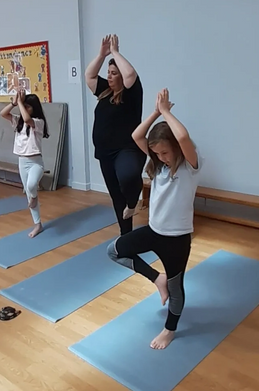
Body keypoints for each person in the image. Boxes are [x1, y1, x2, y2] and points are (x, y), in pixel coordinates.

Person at [107, 88, 201, 350]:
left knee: (177, 287)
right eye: (156, 153)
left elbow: (182, 136)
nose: (160, 157)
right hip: (153, 231)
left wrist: (167, 112)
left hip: (177, 238)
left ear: (177, 149)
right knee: (114, 251)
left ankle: (170, 330)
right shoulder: (158, 165)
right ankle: (157, 279)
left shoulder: (190, 166)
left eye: (165, 152)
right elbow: (137, 135)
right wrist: (155, 112)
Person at [85, 34, 146, 235]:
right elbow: (89, 76)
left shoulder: (132, 93)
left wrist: (115, 52)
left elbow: (131, 75)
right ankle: (125, 236)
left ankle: (133, 201)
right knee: (116, 196)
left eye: (113, 73)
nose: (109, 76)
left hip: (127, 149)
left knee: (128, 176)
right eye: (108, 73)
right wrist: (102, 54)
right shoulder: (104, 91)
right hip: (105, 152)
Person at [0, 89, 49, 238]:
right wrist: (14, 103)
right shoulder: (17, 122)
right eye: (24, 106)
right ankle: (38, 224)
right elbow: (3, 113)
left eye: (27, 106)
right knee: (29, 193)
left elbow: (28, 119)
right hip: (22, 161)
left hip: (36, 162)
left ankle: (34, 197)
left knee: (31, 186)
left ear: (34, 108)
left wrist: (20, 102)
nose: (24, 109)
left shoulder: (38, 123)